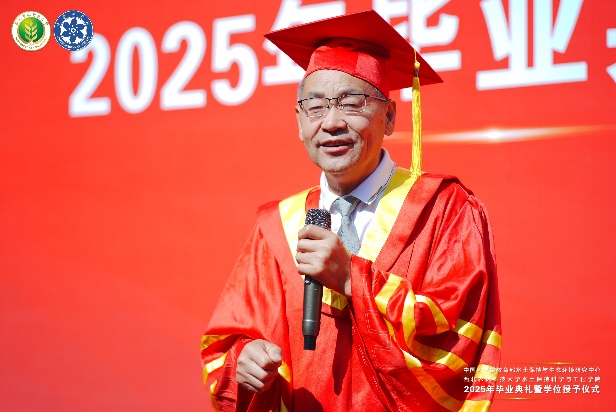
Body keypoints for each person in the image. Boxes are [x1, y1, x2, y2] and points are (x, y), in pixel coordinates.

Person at [201, 10, 501, 412]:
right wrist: (245, 361)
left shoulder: (445, 209)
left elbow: (458, 341)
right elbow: (227, 345)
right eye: (315, 106)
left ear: (389, 117)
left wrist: (350, 278)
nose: (331, 122)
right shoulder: (277, 227)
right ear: (299, 122)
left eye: (352, 103)